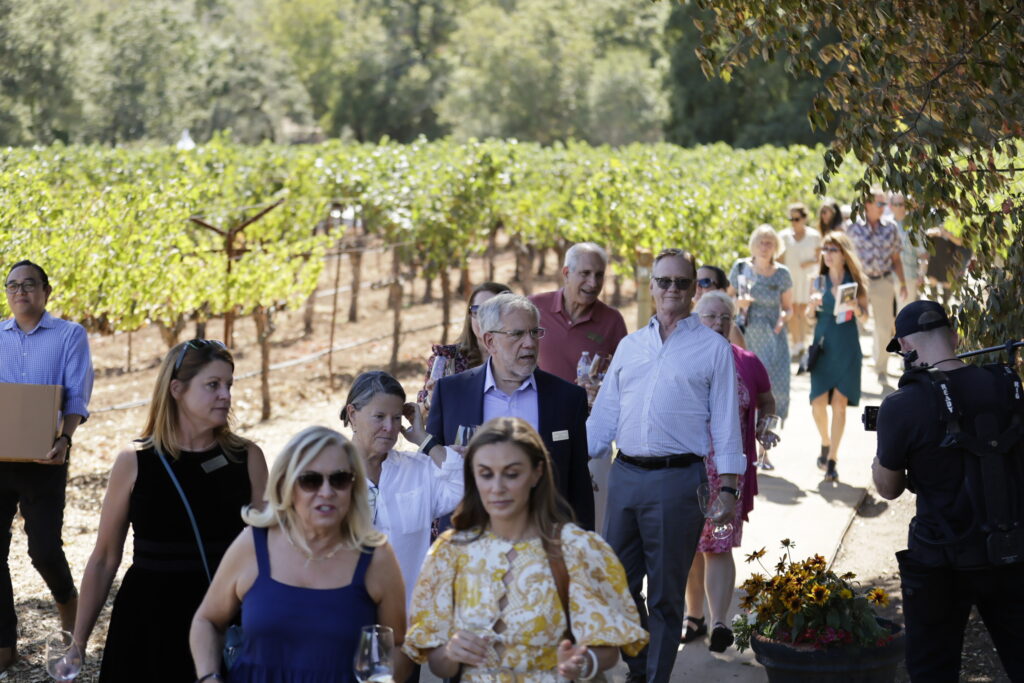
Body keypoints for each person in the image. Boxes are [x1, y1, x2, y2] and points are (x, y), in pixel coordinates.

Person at [588, 248, 745, 683]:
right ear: (651, 286)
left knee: (664, 594)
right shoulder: (630, 345)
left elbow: (728, 424)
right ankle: (642, 665)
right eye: (663, 281)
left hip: (679, 481)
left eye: (681, 282)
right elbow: (603, 418)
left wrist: (729, 489)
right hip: (626, 475)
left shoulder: (713, 348)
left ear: (694, 289)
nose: (671, 289)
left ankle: (652, 678)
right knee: (614, 583)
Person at [72, 339, 267, 682]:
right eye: (213, 385)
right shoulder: (134, 462)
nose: (226, 395)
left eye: (228, 385)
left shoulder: (247, 457)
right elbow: (104, 558)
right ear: (176, 389)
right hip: (148, 620)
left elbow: (270, 552)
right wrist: (77, 642)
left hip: (226, 615)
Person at [403, 417, 648, 681]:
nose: (497, 487)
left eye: (512, 473)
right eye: (485, 473)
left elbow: (607, 648)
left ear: (537, 473)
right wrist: (452, 652)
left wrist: (582, 662)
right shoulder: (449, 553)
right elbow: (439, 664)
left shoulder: (577, 550)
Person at [872, 301, 1024, 681]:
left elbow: (888, 489)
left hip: (939, 559)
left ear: (905, 347)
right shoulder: (1007, 384)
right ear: (955, 336)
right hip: (1010, 549)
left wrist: (882, 455)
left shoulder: (901, 405)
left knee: (931, 670)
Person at [191, 425, 409, 683]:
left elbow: (397, 645)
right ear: (287, 485)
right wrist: (209, 677)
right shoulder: (253, 544)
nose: (326, 492)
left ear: (353, 486)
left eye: (339, 479)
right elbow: (207, 620)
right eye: (310, 480)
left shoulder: (376, 557)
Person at [426, 293, 594, 530]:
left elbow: (579, 485)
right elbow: (431, 475)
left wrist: (582, 545)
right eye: (517, 334)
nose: (529, 343)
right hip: (471, 538)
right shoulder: (451, 392)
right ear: (490, 341)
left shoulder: (567, 398)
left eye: (535, 332)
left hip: (545, 540)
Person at [0, 260, 93, 673]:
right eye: (12, 285)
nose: (20, 291)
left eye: (29, 285)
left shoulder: (69, 335)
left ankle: (70, 616)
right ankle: (5, 645)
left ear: (46, 291)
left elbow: (75, 396)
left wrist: (64, 440)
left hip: (45, 458)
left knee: (43, 549)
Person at [681, 291, 775, 654]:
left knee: (718, 546)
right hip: (686, 469)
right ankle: (693, 615)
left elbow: (767, 400)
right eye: (710, 316)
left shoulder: (747, 361)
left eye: (725, 317)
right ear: (696, 319)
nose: (719, 323)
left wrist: (765, 426)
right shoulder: (682, 360)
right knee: (690, 547)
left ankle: (719, 621)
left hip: (728, 473)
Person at [341, 370, 463, 605]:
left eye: (397, 418)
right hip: (347, 619)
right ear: (352, 414)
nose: (390, 427)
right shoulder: (327, 475)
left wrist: (424, 439)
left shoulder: (418, 470)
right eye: (379, 416)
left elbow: (462, 485)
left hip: (408, 620)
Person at [729, 225, 793, 469]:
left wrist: (783, 318)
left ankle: (764, 452)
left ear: (776, 246)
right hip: (744, 337)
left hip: (773, 338)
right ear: (753, 244)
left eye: (770, 242)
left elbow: (788, 308)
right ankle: (742, 448)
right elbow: (727, 301)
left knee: (771, 393)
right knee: (743, 390)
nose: (765, 246)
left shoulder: (782, 273)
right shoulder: (740, 268)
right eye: (761, 241)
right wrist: (738, 302)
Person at [807, 233, 869, 483]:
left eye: (833, 249)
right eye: (825, 249)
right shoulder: (818, 282)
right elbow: (810, 319)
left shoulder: (855, 282)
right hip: (823, 345)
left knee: (840, 404)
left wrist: (856, 307)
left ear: (844, 253)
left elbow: (865, 318)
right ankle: (825, 441)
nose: (828, 253)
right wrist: (811, 307)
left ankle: (832, 458)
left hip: (847, 345)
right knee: (818, 403)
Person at [528, 242, 628, 385]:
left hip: (586, 407)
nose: (593, 283)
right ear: (566, 273)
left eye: (599, 275)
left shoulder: (612, 321)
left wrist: (602, 390)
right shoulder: (534, 307)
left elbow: (625, 375)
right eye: (585, 273)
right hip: (536, 406)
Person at [846, 186, 908, 385]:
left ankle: (881, 369)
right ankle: (850, 368)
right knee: (853, 325)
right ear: (867, 204)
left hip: (883, 281)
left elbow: (896, 258)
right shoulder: (852, 227)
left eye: (885, 204)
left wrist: (903, 283)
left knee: (884, 327)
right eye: (880, 203)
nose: (884, 207)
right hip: (858, 283)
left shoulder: (890, 228)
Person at [417, 282, 511, 405]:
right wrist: (431, 399)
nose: (485, 319)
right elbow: (419, 417)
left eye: (493, 311)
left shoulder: (521, 358)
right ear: (470, 316)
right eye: (478, 311)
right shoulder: (446, 360)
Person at [778, 203, 822, 358]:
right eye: (791, 218)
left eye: (796, 218)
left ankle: (803, 342)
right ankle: (795, 343)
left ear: (804, 218)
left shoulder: (814, 236)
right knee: (792, 309)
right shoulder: (783, 236)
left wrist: (809, 263)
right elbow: (779, 260)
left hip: (807, 278)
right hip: (790, 278)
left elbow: (820, 258)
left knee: (804, 310)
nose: (793, 222)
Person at [694, 265, 746, 348]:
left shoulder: (728, 327)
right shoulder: (683, 320)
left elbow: (741, 359)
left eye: (705, 282)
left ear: (721, 290)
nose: (697, 287)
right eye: (694, 282)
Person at [890, 192, 925, 304]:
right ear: (891, 206)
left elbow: (923, 254)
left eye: (903, 204)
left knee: (904, 317)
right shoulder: (885, 225)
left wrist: (921, 274)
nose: (901, 207)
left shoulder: (914, 228)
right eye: (897, 204)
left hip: (909, 278)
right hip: (887, 280)